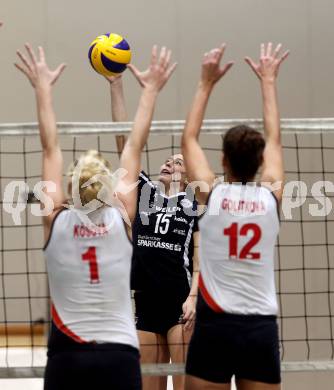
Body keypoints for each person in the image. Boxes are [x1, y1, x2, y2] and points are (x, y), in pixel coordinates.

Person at [15, 43, 176, 390]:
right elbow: (133, 145)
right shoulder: (122, 216)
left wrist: (42, 89)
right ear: (110, 187)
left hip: (68, 356)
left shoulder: (55, 218)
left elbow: (50, 147)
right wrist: (150, 90)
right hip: (118, 354)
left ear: (69, 187)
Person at [182, 43, 289, 390]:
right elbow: (275, 138)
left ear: (224, 161)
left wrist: (205, 82)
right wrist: (268, 81)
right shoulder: (270, 197)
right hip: (259, 327)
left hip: (216, 325)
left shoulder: (212, 196)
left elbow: (189, 140)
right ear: (260, 164)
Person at [105, 65, 199, 390]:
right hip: (144, 301)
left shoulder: (195, 204)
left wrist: (195, 296)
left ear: (188, 176)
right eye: (168, 159)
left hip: (179, 302)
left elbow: (203, 258)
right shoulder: (144, 191)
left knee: (187, 382)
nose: (169, 163)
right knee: (148, 385)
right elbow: (125, 142)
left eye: (178, 161)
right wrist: (116, 85)